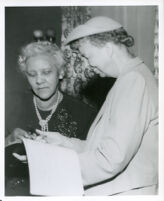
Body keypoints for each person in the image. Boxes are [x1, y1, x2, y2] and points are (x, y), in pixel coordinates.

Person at [20, 16, 158, 195]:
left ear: (108, 48)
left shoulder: (134, 80)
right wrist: (63, 143)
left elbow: (110, 159)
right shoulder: (130, 78)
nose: (90, 65)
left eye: (88, 56)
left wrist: (46, 164)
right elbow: (105, 147)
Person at [5, 41, 97, 195]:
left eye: (46, 72)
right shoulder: (10, 106)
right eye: (32, 74)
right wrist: (8, 140)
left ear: (60, 73)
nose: (39, 80)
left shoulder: (84, 113)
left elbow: (94, 161)